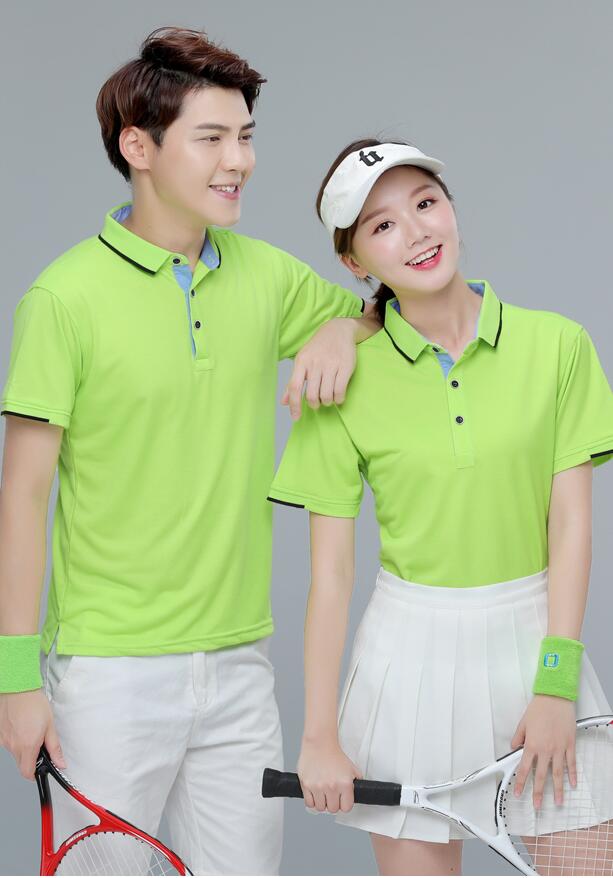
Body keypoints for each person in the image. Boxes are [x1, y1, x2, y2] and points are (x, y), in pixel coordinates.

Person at [0, 29, 379, 876]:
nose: (238, 160)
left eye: (244, 136)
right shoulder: (62, 298)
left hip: (240, 664)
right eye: (210, 138)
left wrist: (340, 331)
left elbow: (383, 310)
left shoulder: (268, 276)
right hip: (108, 673)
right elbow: (21, 496)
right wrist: (16, 679)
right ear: (138, 147)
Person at [267, 138, 613, 875]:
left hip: (536, 644)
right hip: (408, 666)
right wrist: (318, 735)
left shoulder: (558, 346)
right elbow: (330, 578)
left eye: (425, 203)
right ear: (354, 261)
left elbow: (571, 525)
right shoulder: (337, 380)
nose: (417, 232)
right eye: (382, 225)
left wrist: (555, 683)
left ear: (451, 208)